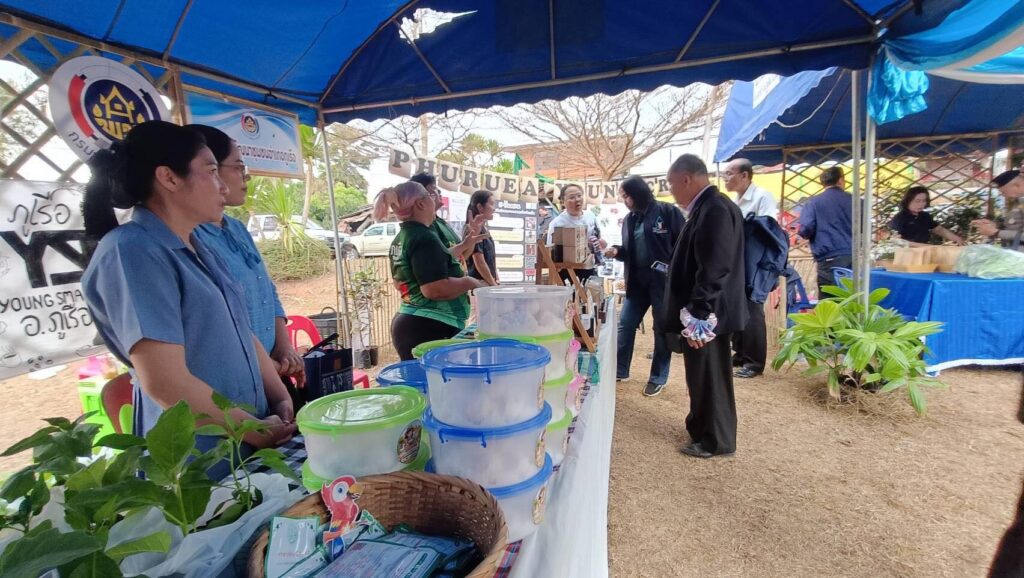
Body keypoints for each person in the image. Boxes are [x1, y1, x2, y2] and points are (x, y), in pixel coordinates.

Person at [81, 121, 296, 479]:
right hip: (198, 463)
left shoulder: (197, 247)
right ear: (169, 178)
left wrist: (280, 397)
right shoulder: (133, 251)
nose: (222, 185)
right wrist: (254, 429)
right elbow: (165, 382)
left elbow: (241, 332)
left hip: (248, 444)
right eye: (211, 171)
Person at [188, 125, 306, 396]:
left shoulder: (237, 228)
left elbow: (267, 291)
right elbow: (221, 323)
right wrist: (270, 368)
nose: (247, 176)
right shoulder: (189, 238)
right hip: (231, 386)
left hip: (270, 374)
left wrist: (284, 348)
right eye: (238, 167)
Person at [662, 154, 747, 458]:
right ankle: (702, 428)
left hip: (709, 313)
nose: (671, 190)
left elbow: (715, 266)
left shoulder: (715, 209)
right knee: (703, 375)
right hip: (709, 309)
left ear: (686, 179)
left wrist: (699, 312)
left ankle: (715, 439)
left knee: (710, 377)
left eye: (672, 184)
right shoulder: (710, 206)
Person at [377, 182, 485, 360]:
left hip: (415, 323)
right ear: (421, 204)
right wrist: (471, 282)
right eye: (430, 196)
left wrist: (465, 245)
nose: (434, 200)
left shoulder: (404, 236)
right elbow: (434, 289)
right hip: (429, 326)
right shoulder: (424, 237)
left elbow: (431, 263)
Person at [603, 176, 684, 396]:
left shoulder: (667, 212)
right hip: (637, 281)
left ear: (637, 193)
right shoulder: (630, 219)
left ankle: (658, 377)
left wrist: (676, 274)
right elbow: (628, 251)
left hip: (662, 283)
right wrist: (616, 251)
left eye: (626, 196)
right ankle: (620, 369)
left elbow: (683, 245)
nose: (624, 201)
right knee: (626, 323)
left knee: (661, 329)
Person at [724, 158, 779, 379]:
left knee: (753, 310)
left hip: (756, 264)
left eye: (729, 173)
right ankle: (740, 353)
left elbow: (769, 231)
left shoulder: (762, 197)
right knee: (737, 308)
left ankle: (755, 362)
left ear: (744, 175)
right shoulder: (733, 201)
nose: (726, 178)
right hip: (737, 262)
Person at [798, 166, 853, 292]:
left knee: (829, 296)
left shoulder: (813, 203)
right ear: (840, 180)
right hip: (851, 255)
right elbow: (864, 227)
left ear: (823, 183)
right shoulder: (855, 201)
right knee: (850, 295)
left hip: (828, 257)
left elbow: (805, 229)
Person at [409, 172, 482, 265]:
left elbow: (463, 256)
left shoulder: (442, 222)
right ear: (420, 200)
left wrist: (472, 238)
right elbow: (437, 260)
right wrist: (464, 245)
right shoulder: (423, 228)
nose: (438, 192)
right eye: (434, 189)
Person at [546, 183, 607, 285]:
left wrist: (599, 244)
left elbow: (601, 241)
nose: (577, 200)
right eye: (572, 197)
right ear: (562, 201)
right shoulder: (557, 223)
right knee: (572, 294)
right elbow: (550, 251)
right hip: (567, 270)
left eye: (579, 195)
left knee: (590, 292)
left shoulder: (591, 216)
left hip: (589, 266)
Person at [889, 186, 965, 246]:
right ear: (908, 201)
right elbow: (896, 240)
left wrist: (956, 238)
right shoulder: (899, 218)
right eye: (917, 201)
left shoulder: (924, 216)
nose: (921, 204)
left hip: (925, 250)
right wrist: (924, 246)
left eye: (924, 201)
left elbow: (938, 229)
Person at [974, 169, 1024, 250]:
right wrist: (993, 226)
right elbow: (1014, 225)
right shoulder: (1017, 201)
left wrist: (996, 232)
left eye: (1003, 192)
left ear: (1016, 186)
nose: (1003, 195)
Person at [466, 189, 499, 286]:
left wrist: (496, 277)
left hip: (486, 283)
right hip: (480, 284)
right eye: (491, 204)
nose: (494, 209)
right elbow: (479, 261)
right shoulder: (474, 229)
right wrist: (493, 284)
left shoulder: (483, 228)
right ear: (480, 207)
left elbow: (489, 260)